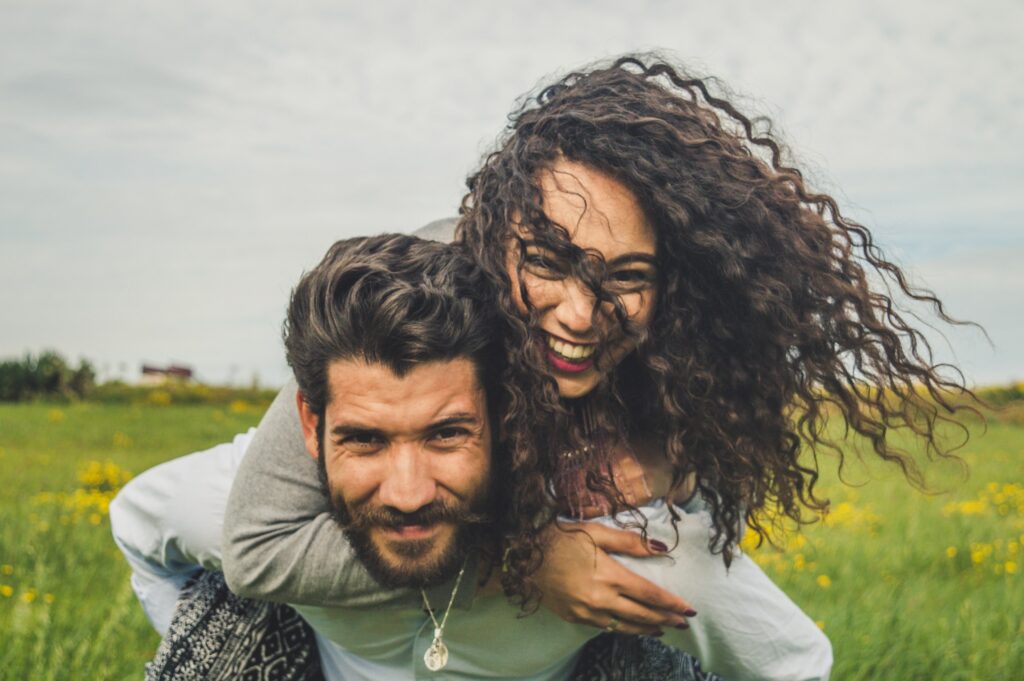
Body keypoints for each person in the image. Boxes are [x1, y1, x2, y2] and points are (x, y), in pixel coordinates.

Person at [114, 233, 723, 681]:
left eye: (445, 434)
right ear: (310, 424)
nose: (407, 491)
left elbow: (788, 656)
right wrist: (524, 562)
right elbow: (146, 529)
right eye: (365, 439)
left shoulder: (634, 544)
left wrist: (681, 468)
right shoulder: (226, 501)